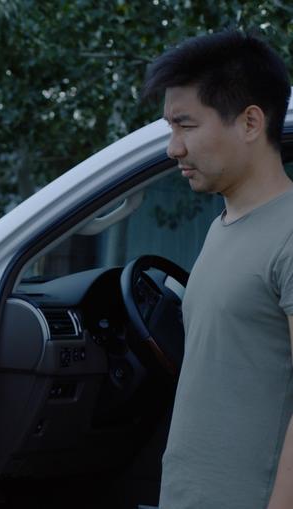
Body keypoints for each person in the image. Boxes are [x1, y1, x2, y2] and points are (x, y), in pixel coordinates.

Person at [142, 31, 293, 509]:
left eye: (185, 126)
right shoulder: (225, 224)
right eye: (171, 128)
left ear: (250, 122)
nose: (173, 148)